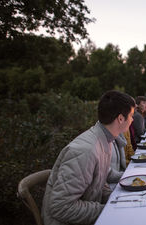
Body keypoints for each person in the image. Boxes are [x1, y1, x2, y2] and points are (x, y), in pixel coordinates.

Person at [42, 90, 135, 225]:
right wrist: (109, 209)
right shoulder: (85, 151)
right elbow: (60, 207)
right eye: (131, 115)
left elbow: (98, 181)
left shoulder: (104, 139)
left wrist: (117, 200)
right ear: (121, 118)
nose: (132, 119)